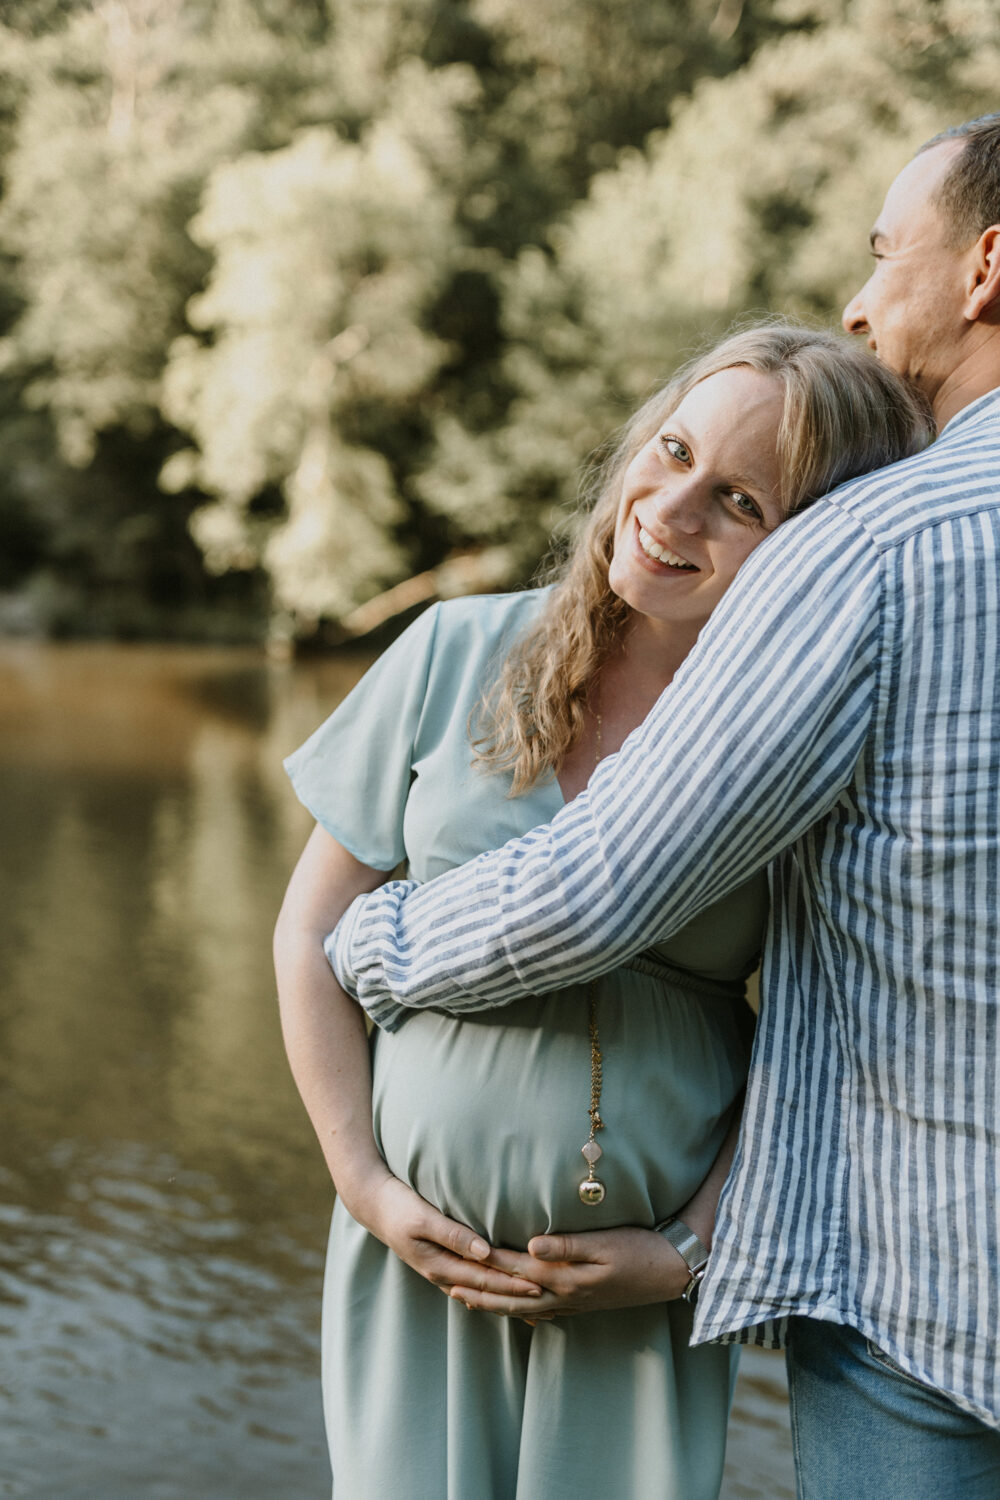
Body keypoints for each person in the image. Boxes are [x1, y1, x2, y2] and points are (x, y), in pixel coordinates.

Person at [325, 116, 1000, 1497]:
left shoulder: (882, 549)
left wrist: (374, 948)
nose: (862, 303)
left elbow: (636, 918)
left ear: (987, 267)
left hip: (875, 1305)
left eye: (886, 256)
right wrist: (364, 1177)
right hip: (418, 1265)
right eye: (674, 453)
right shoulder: (463, 650)